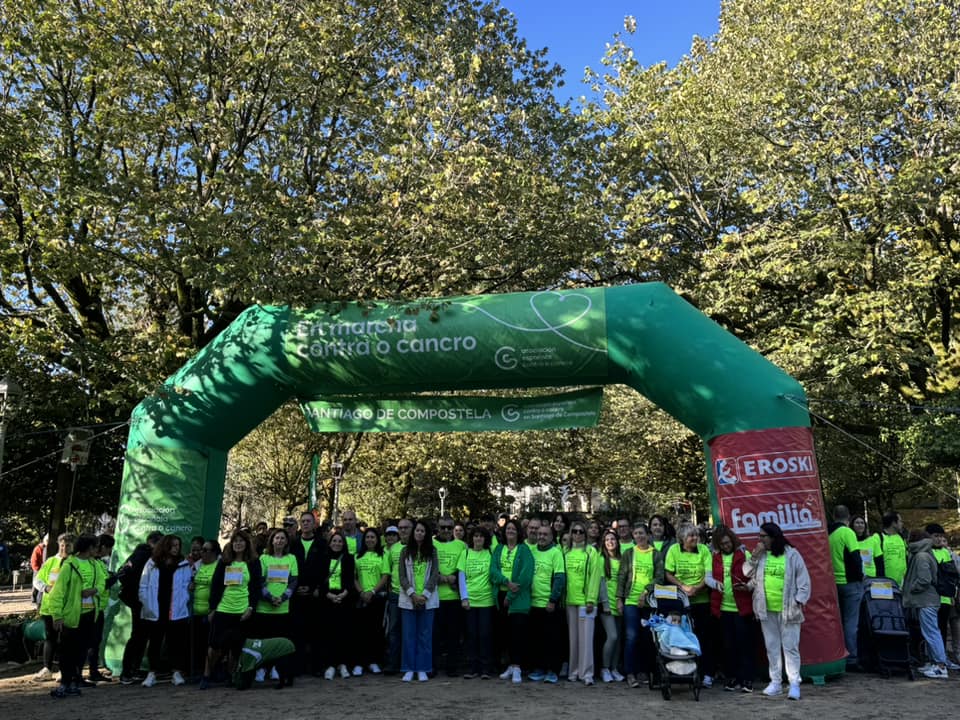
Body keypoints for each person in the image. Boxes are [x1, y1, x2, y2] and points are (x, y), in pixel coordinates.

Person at [744, 522, 810, 700]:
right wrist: (754, 556)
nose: (760, 540)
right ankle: (775, 682)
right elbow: (746, 572)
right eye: (759, 536)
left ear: (773, 537)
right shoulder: (762, 555)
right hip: (766, 608)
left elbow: (804, 581)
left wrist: (798, 601)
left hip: (788, 609)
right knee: (772, 647)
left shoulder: (792, 554)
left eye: (763, 536)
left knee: (790, 647)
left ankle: (794, 683)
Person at [200, 530, 262, 690]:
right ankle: (206, 675)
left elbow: (256, 587)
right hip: (223, 609)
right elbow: (215, 586)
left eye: (241, 541)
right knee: (214, 646)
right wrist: (213, 608)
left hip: (242, 612)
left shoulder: (254, 562)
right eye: (235, 541)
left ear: (247, 544)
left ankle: (231, 675)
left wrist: (251, 608)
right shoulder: (225, 562)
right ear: (231, 544)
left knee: (236, 647)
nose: (238, 544)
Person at [47, 534, 107, 699]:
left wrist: (94, 590)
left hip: (89, 615)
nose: (98, 550)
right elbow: (57, 593)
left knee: (81, 650)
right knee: (67, 651)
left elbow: (103, 582)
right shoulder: (69, 565)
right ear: (89, 548)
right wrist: (57, 615)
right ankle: (65, 683)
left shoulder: (96, 565)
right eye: (96, 547)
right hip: (71, 616)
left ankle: (75, 681)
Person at [138, 534, 193, 687]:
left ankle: (176, 672)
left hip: (175, 609)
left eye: (178, 545)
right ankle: (152, 673)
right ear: (165, 546)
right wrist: (146, 603)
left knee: (175, 642)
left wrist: (184, 599)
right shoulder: (152, 563)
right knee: (154, 642)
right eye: (173, 545)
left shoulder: (183, 564)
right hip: (156, 609)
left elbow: (188, 585)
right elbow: (143, 585)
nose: (176, 548)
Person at [706, 525, 755, 693]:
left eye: (727, 543)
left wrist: (747, 586)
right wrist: (716, 584)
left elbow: (754, 576)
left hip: (742, 608)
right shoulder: (714, 557)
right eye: (722, 544)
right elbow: (708, 578)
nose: (726, 546)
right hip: (722, 608)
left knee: (744, 644)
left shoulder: (744, 554)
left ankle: (747, 679)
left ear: (732, 540)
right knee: (728, 645)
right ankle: (732, 678)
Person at [664, 523, 714, 687]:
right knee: (682, 636)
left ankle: (706, 673)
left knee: (704, 637)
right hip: (680, 600)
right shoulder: (673, 550)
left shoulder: (704, 550)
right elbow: (668, 573)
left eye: (695, 535)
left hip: (701, 599)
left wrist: (696, 589)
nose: (694, 538)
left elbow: (709, 574)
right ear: (682, 539)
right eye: (690, 536)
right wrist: (683, 587)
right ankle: (683, 671)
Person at [618, 523, 662, 688]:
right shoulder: (629, 553)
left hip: (649, 601)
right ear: (633, 535)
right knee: (631, 637)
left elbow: (659, 577)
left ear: (647, 534)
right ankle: (630, 672)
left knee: (647, 637)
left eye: (642, 533)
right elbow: (622, 576)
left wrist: (645, 592)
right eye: (636, 533)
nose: (639, 536)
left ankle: (644, 670)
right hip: (630, 600)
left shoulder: (655, 554)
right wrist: (619, 599)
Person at [902, 529, 951, 678]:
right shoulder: (925, 553)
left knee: (931, 632)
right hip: (928, 600)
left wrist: (911, 588)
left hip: (926, 600)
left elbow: (924, 580)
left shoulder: (921, 556)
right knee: (930, 632)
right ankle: (934, 662)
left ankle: (940, 666)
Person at [491, 517, 534, 684]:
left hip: (518, 598)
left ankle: (517, 667)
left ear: (518, 532)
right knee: (505, 634)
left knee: (518, 634)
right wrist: (505, 582)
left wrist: (510, 595)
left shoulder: (524, 550)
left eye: (513, 529)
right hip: (501, 596)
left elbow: (526, 575)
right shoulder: (499, 549)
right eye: (508, 529)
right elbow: (493, 570)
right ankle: (509, 665)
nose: (510, 531)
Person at [118, 530, 163, 684]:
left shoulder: (140, 554)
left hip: (139, 600)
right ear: (153, 543)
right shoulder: (144, 554)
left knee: (142, 635)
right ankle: (127, 671)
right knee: (138, 635)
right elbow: (128, 574)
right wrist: (139, 597)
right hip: (139, 601)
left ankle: (133, 669)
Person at [254, 528, 298, 682]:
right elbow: (259, 581)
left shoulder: (291, 558)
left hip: (282, 608)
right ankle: (261, 668)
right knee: (263, 641)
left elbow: (293, 581)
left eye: (282, 538)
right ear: (272, 541)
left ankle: (275, 668)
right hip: (264, 607)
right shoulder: (264, 558)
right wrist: (270, 598)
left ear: (286, 541)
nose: (279, 540)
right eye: (277, 538)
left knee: (279, 642)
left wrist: (283, 597)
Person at [399, 519, 439, 682]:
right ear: (413, 532)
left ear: (426, 533)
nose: (419, 533)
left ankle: (423, 668)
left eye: (422, 531)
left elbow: (435, 573)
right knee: (409, 635)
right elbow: (401, 576)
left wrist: (424, 595)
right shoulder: (404, 551)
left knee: (425, 635)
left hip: (427, 599)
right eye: (417, 530)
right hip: (409, 599)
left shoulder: (433, 551)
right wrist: (412, 594)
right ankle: (408, 668)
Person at [32, 533, 75, 682]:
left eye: (68, 545)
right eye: (62, 544)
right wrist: (46, 588)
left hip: (67, 609)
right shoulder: (50, 561)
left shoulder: (74, 562)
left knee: (65, 640)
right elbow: (37, 580)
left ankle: (64, 670)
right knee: (50, 638)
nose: (64, 547)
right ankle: (47, 668)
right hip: (49, 607)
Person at [526, 523, 566, 683]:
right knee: (536, 639)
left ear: (551, 537)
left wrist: (552, 600)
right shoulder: (532, 551)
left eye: (545, 534)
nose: (541, 537)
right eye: (539, 534)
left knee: (552, 639)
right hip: (532, 603)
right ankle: (539, 668)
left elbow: (559, 578)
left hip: (548, 605)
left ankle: (552, 670)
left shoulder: (556, 553)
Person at [564, 519, 601, 685]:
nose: (577, 534)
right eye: (574, 531)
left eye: (580, 532)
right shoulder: (565, 552)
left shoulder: (591, 552)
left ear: (585, 534)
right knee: (573, 639)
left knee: (586, 639)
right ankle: (573, 671)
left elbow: (595, 576)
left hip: (585, 602)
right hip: (569, 601)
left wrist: (591, 599)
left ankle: (586, 674)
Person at [289, 511, 326, 675]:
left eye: (308, 521)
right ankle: (297, 666)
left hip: (315, 594)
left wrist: (314, 588)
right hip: (296, 594)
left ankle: (316, 667)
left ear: (314, 524)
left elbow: (326, 569)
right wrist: (296, 587)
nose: (305, 524)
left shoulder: (322, 544)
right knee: (297, 631)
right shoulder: (293, 544)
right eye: (302, 521)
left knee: (316, 632)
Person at [458, 525, 497, 679]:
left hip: (487, 601)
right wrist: (464, 597)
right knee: (471, 635)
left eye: (481, 536)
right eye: (476, 536)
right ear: (472, 538)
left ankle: (485, 668)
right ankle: (473, 668)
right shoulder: (465, 553)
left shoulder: (490, 553)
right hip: (470, 601)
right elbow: (461, 577)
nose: (478, 538)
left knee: (485, 635)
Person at [828, 505, 863, 668]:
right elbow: (855, 556)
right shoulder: (847, 533)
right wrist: (861, 575)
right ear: (848, 517)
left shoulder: (827, 533)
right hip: (850, 583)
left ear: (833, 516)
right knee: (851, 622)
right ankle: (852, 657)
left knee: (838, 621)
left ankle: (836, 653)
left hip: (833, 583)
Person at [433, 515, 466, 676]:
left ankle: (451, 667)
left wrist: (452, 577)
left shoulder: (462, 545)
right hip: (435, 597)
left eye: (449, 527)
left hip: (454, 598)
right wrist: (442, 577)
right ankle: (432, 666)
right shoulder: (430, 543)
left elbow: (464, 569)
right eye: (442, 527)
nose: (446, 530)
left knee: (453, 635)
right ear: (437, 528)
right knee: (435, 635)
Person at [925, 524, 960, 671]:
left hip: (945, 598)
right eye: (936, 536)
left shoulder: (946, 553)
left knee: (943, 630)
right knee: (933, 630)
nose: (939, 539)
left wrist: (952, 595)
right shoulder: (927, 553)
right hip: (931, 598)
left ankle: (942, 658)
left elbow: (951, 576)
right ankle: (933, 659)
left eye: (941, 536)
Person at [354, 527, 388, 675]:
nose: (369, 540)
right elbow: (354, 577)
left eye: (373, 537)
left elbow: (385, 576)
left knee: (375, 631)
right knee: (360, 631)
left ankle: (373, 661)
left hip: (377, 598)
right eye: (367, 537)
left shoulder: (383, 555)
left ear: (377, 539)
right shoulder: (357, 556)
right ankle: (359, 663)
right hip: (361, 598)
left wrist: (373, 592)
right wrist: (362, 592)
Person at [384, 519, 413, 673]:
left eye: (406, 528)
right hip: (396, 594)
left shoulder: (418, 547)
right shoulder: (393, 549)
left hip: (413, 595)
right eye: (400, 528)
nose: (403, 531)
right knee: (394, 631)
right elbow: (386, 572)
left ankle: (409, 664)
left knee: (410, 631)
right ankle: (393, 663)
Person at [189, 539, 220, 680]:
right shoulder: (196, 565)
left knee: (211, 645)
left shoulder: (219, 566)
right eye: (202, 550)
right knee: (197, 644)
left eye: (206, 550)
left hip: (211, 612)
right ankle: (198, 671)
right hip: (195, 611)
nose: (202, 553)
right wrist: (191, 584)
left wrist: (214, 610)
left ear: (214, 552)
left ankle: (211, 671)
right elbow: (191, 581)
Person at [598, 529, 624, 683]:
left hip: (620, 602)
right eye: (607, 539)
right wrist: (605, 604)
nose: (610, 542)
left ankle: (614, 669)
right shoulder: (602, 559)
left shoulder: (622, 559)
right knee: (612, 636)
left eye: (613, 539)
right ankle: (605, 668)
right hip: (606, 604)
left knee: (619, 638)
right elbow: (601, 583)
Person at [877, 511, 907, 586]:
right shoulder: (879, 538)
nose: (902, 524)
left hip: (902, 584)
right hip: (885, 584)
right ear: (894, 523)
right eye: (900, 521)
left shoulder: (901, 537)